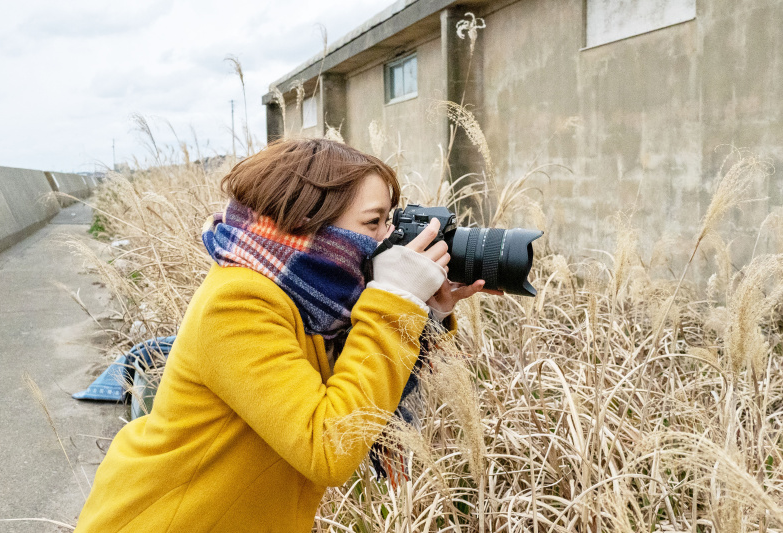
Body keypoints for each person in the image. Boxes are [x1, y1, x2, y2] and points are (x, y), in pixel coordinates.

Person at [75, 138, 487, 532]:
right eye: (373, 222)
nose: (388, 240)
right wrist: (395, 300)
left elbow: (358, 389)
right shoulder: (238, 301)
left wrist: (426, 308)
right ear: (309, 224)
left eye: (388, 222)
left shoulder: (319, 303)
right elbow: (328, 446)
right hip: (165, 520)